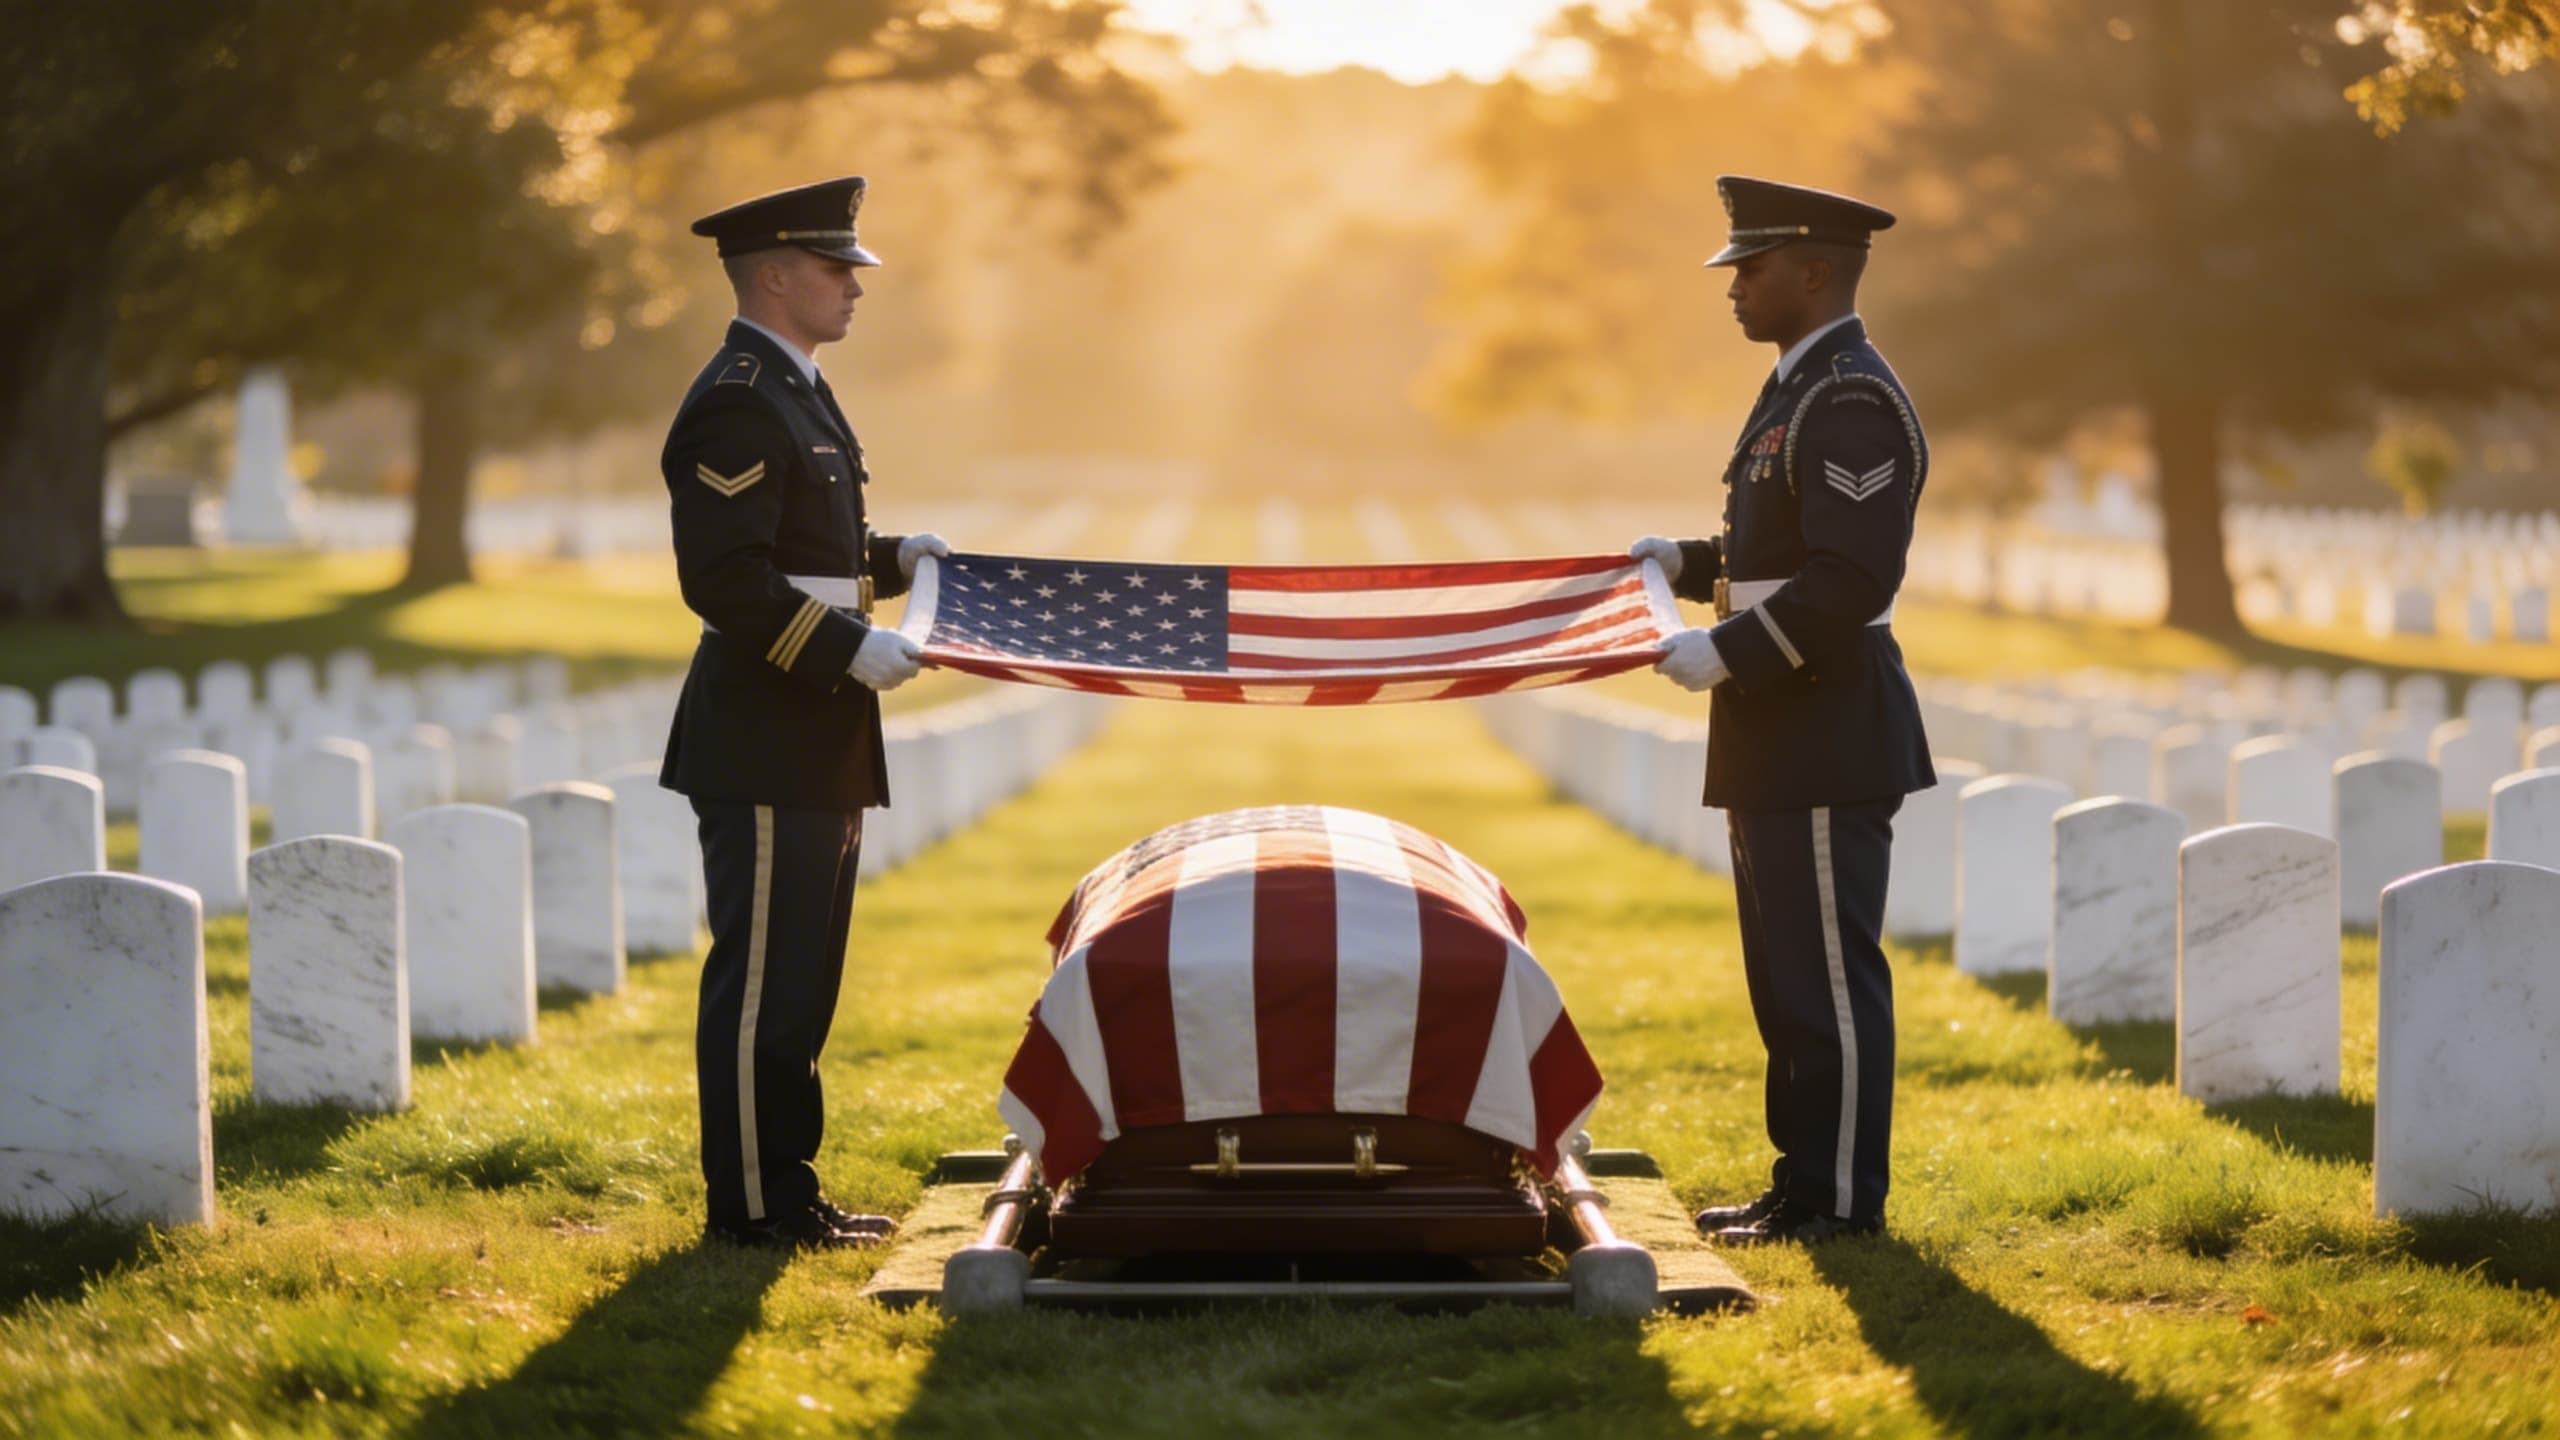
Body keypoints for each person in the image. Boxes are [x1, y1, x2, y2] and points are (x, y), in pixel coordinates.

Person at [1627, 175, 1932, 1246]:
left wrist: (1729, 651)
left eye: (1750, 268)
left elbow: (1849, 575)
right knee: (1787, 982)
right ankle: (1802, 1185)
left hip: (1819, 719)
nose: (1734, 286)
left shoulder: (1847, 395)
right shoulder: (1800, 387)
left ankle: (1842, 1203)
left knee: (1827, 989)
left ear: (1814, 272)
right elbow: (1781, 549)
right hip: (1778, 726)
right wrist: (1692, 561)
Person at [661, 175, 950, 1251]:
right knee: (762, 994)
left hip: (814, 731)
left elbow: (805, 550)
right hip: (771, 726)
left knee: (802, 990)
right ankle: (748, 1205)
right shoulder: (740, 395)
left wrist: (891, 556)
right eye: (837, 270)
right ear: (775, 275)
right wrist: (848, 648)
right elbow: (728, 580)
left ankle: (789, 1193)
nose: (854, 288)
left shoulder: (796, 388)